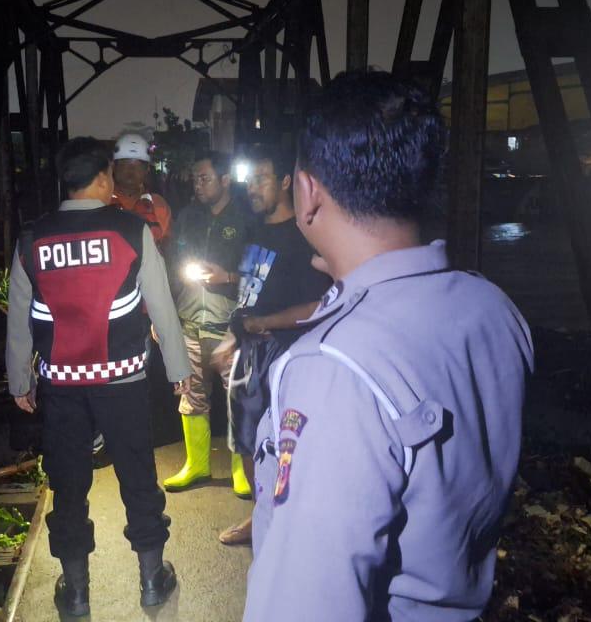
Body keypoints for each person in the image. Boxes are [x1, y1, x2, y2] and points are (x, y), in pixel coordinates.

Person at [243, 71, 533, 622]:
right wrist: (350, 289)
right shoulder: (493, 308)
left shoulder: (328, 368)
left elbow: (310, 602)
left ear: (306, 193)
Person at [5, 137, 194, 617]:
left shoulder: (33, 237)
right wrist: (178, 369)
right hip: (123, 382)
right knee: (137, 476)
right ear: (104, 178)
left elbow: (20, 318)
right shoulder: (131, 230)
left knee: (68, 484)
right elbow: (161, 307)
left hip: (61, 386)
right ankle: (152, 579)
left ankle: (76, 591)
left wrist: (19, 381)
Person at [203, 143, 330, 546]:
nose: (253, 188)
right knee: (246, 438)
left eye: (262, 179)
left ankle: (296, 521)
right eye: (250, 180)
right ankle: (260, 516)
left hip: (285, 352)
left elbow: (322, 302)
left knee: (289, 443)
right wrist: (231, 337)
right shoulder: (254, 231)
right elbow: (248, 294)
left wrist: (264, 323)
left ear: (286, 182)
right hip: (248, 351)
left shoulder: (305, 237)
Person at [162, 151, 256, 491]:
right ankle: (197, 464)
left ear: (225, 180)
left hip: (229, 328)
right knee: (191, 396)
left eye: (205, 178)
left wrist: (228, 277)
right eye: (195, 178)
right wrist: (166, 316)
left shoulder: (247, 220)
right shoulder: (187, 217)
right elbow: (172, 267)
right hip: (189, 322)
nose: (197, 185)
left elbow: (261, 272)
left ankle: (242, 470)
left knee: (239, 397)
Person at [110, 133, 173, 245]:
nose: (130, 171)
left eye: (137, 166)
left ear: (147, 169)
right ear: (114, 167)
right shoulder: (101, 202)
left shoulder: (159, 205)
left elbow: (168, 246)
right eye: (125, 164)